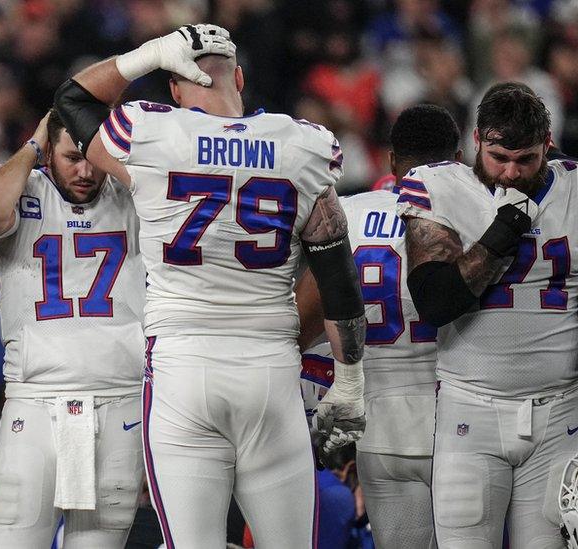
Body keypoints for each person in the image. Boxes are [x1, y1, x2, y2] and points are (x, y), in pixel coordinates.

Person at [53, 24, 367, 547]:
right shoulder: (303, 144)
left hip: (183, 369)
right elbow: (337, 276)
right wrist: (351, 379)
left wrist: (147, 54)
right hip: (270, 371)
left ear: (174, 89)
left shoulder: (150, 132)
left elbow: (73, 99)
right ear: (239, 77)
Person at [399, 82, 578, 548]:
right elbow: (435, 302)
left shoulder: (575, 189)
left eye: (526, 160)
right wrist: (502, 233)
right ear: (477, 141)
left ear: (548, 146)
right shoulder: (439, 186)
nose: (511, 173)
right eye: (500, 157)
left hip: (562, 412)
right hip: (471, 409)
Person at [0, 109, 146, 547]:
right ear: (48, 152)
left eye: (93, 158)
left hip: (119, 402)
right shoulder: (18, 186)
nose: (85, 171)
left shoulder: (134, 193)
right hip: (34, 402)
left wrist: (114, 153)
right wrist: (34, 143)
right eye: (70, 157)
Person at [297, 104, 462, 549]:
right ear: (459, 159)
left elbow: (301, 324)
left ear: (392, 160)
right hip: (461, 423)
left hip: (380, 430)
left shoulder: (347, 214)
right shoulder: (473, 213)